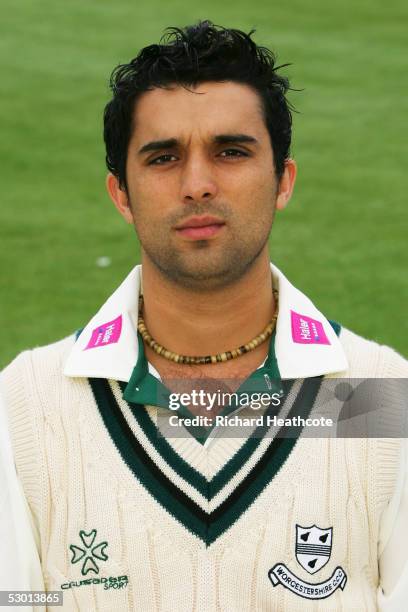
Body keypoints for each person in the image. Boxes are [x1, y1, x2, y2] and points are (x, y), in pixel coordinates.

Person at [1, 21, 407, 611]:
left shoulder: (382, 398)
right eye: (163, 158)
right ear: (121, 194)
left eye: (231, 152)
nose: (197, 184)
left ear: (282, 181)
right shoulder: (24, 406)